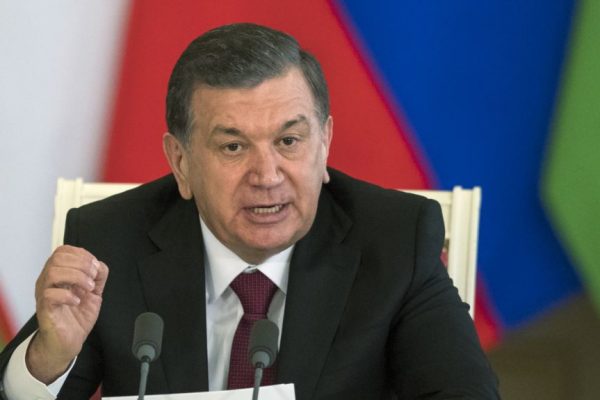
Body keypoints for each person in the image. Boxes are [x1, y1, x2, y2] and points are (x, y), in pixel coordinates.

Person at [0, 23, 499, 399]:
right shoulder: (111, 239)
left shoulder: (394, 239)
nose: (267, 175)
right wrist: (48, 359)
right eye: (234, 147)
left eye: (289, 141)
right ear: (181, 162)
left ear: (324, 142)